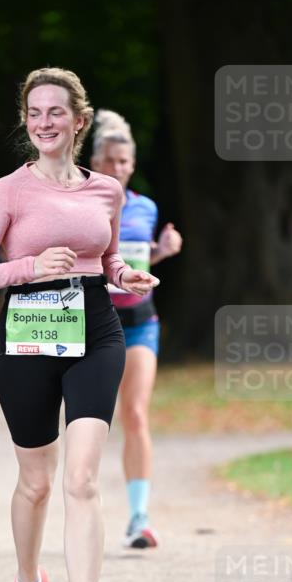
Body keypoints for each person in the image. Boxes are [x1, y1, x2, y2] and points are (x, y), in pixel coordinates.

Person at [0, 68, 158, 582]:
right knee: (38, 482)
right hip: (27, 333)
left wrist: (124, 275)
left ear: (79, 120)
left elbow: (108, 257)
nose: (44, 122)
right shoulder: (9, 191)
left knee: (83, 478)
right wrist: (28, 268)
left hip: (96, 329)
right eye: (34, 112)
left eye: (56, 112)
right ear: (27, 121)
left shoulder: (107, 191)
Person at [90, 110, 183, 548]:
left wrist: (160, 252)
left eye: (125, 162)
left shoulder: (145, 207)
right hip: (95, 324)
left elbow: (134, 262)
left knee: (136, 413)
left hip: (142, 321)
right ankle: (83, 510)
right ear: (95, 161)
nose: (119, 169)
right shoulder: (83, 203)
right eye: (111, 161)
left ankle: (140, 516)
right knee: (91, 421)